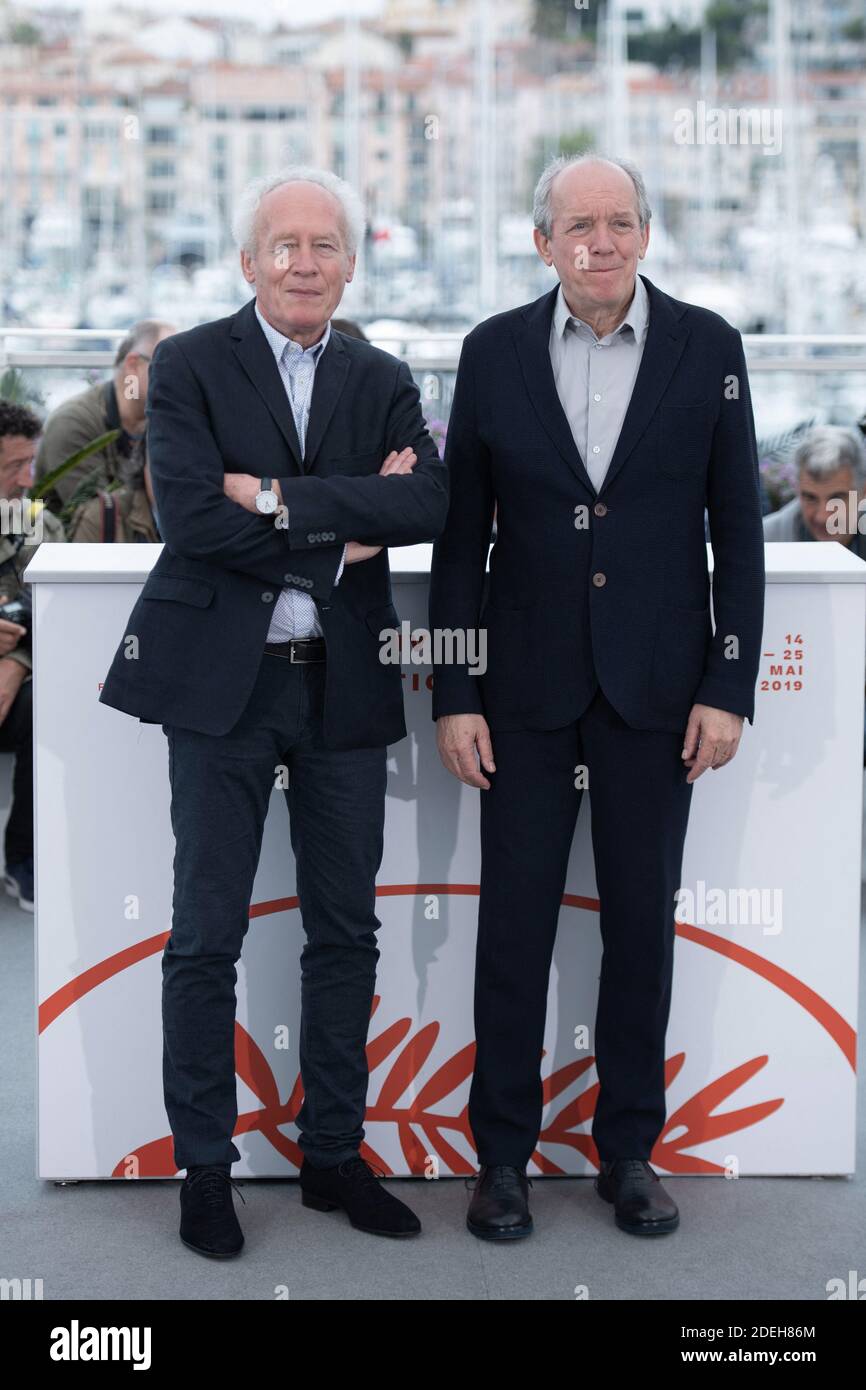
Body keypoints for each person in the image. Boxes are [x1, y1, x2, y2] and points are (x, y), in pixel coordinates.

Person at [97, 166, 448, 1257]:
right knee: (204, 934)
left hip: (339, 683)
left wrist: (282, 496)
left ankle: (331, 1157)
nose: (303, 261)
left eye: (324, 245)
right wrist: (343, 525)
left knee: (345, 930)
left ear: (351, 263)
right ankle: (205, 1168)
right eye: (283, 244)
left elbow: (425, 500)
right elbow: (196, 517)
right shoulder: (192, 364)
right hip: (221, 687)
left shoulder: (383, 375)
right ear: (248, 262)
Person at [429, 152, 765, 1240]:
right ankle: (502, 1162)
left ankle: (628, 1152)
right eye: (578, 224)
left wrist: (727, 684)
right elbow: (458, 540)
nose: (600, 241)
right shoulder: (490, 352)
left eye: (619, 221)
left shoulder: (707, 348)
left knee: (639, 929)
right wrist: (452, 687)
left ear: (645, 234)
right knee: (513, 935)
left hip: (657, 694)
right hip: (519, 693)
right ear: (542, 243)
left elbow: (737, 533)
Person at [0, 401, 66, 911]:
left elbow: (55, 612)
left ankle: (23, 858)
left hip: (10, 682)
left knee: (45, 709)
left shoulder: (36, 524)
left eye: (30, 464)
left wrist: (15, 663)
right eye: (11, 468)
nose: (26, 480)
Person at [34, 319, 175, 519]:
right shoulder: (73, 422)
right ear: (133, 365)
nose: (181, 378)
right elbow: (96, 517)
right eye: (171, 367)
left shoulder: (159, 420)